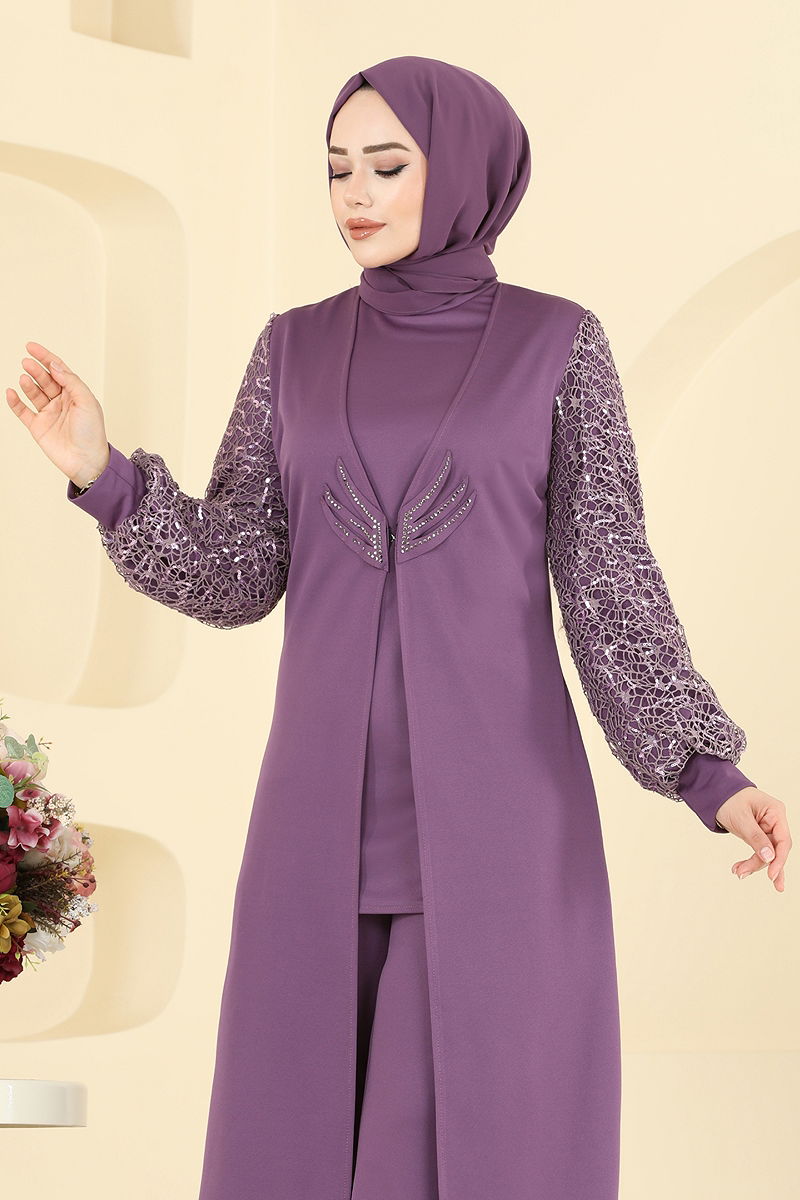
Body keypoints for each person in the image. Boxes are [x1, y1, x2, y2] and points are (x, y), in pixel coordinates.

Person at [6, 55, 791, 1200]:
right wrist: (103, 475)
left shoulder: (555, 346)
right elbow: (240, 571)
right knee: (296, 1147)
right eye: (336, 169)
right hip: (314, 829)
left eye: (386, 165)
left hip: (502, 830)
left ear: (463, 170)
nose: (355, 195)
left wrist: (707, 774)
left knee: (472, 1150)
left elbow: (607, 577)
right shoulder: (292, 348)